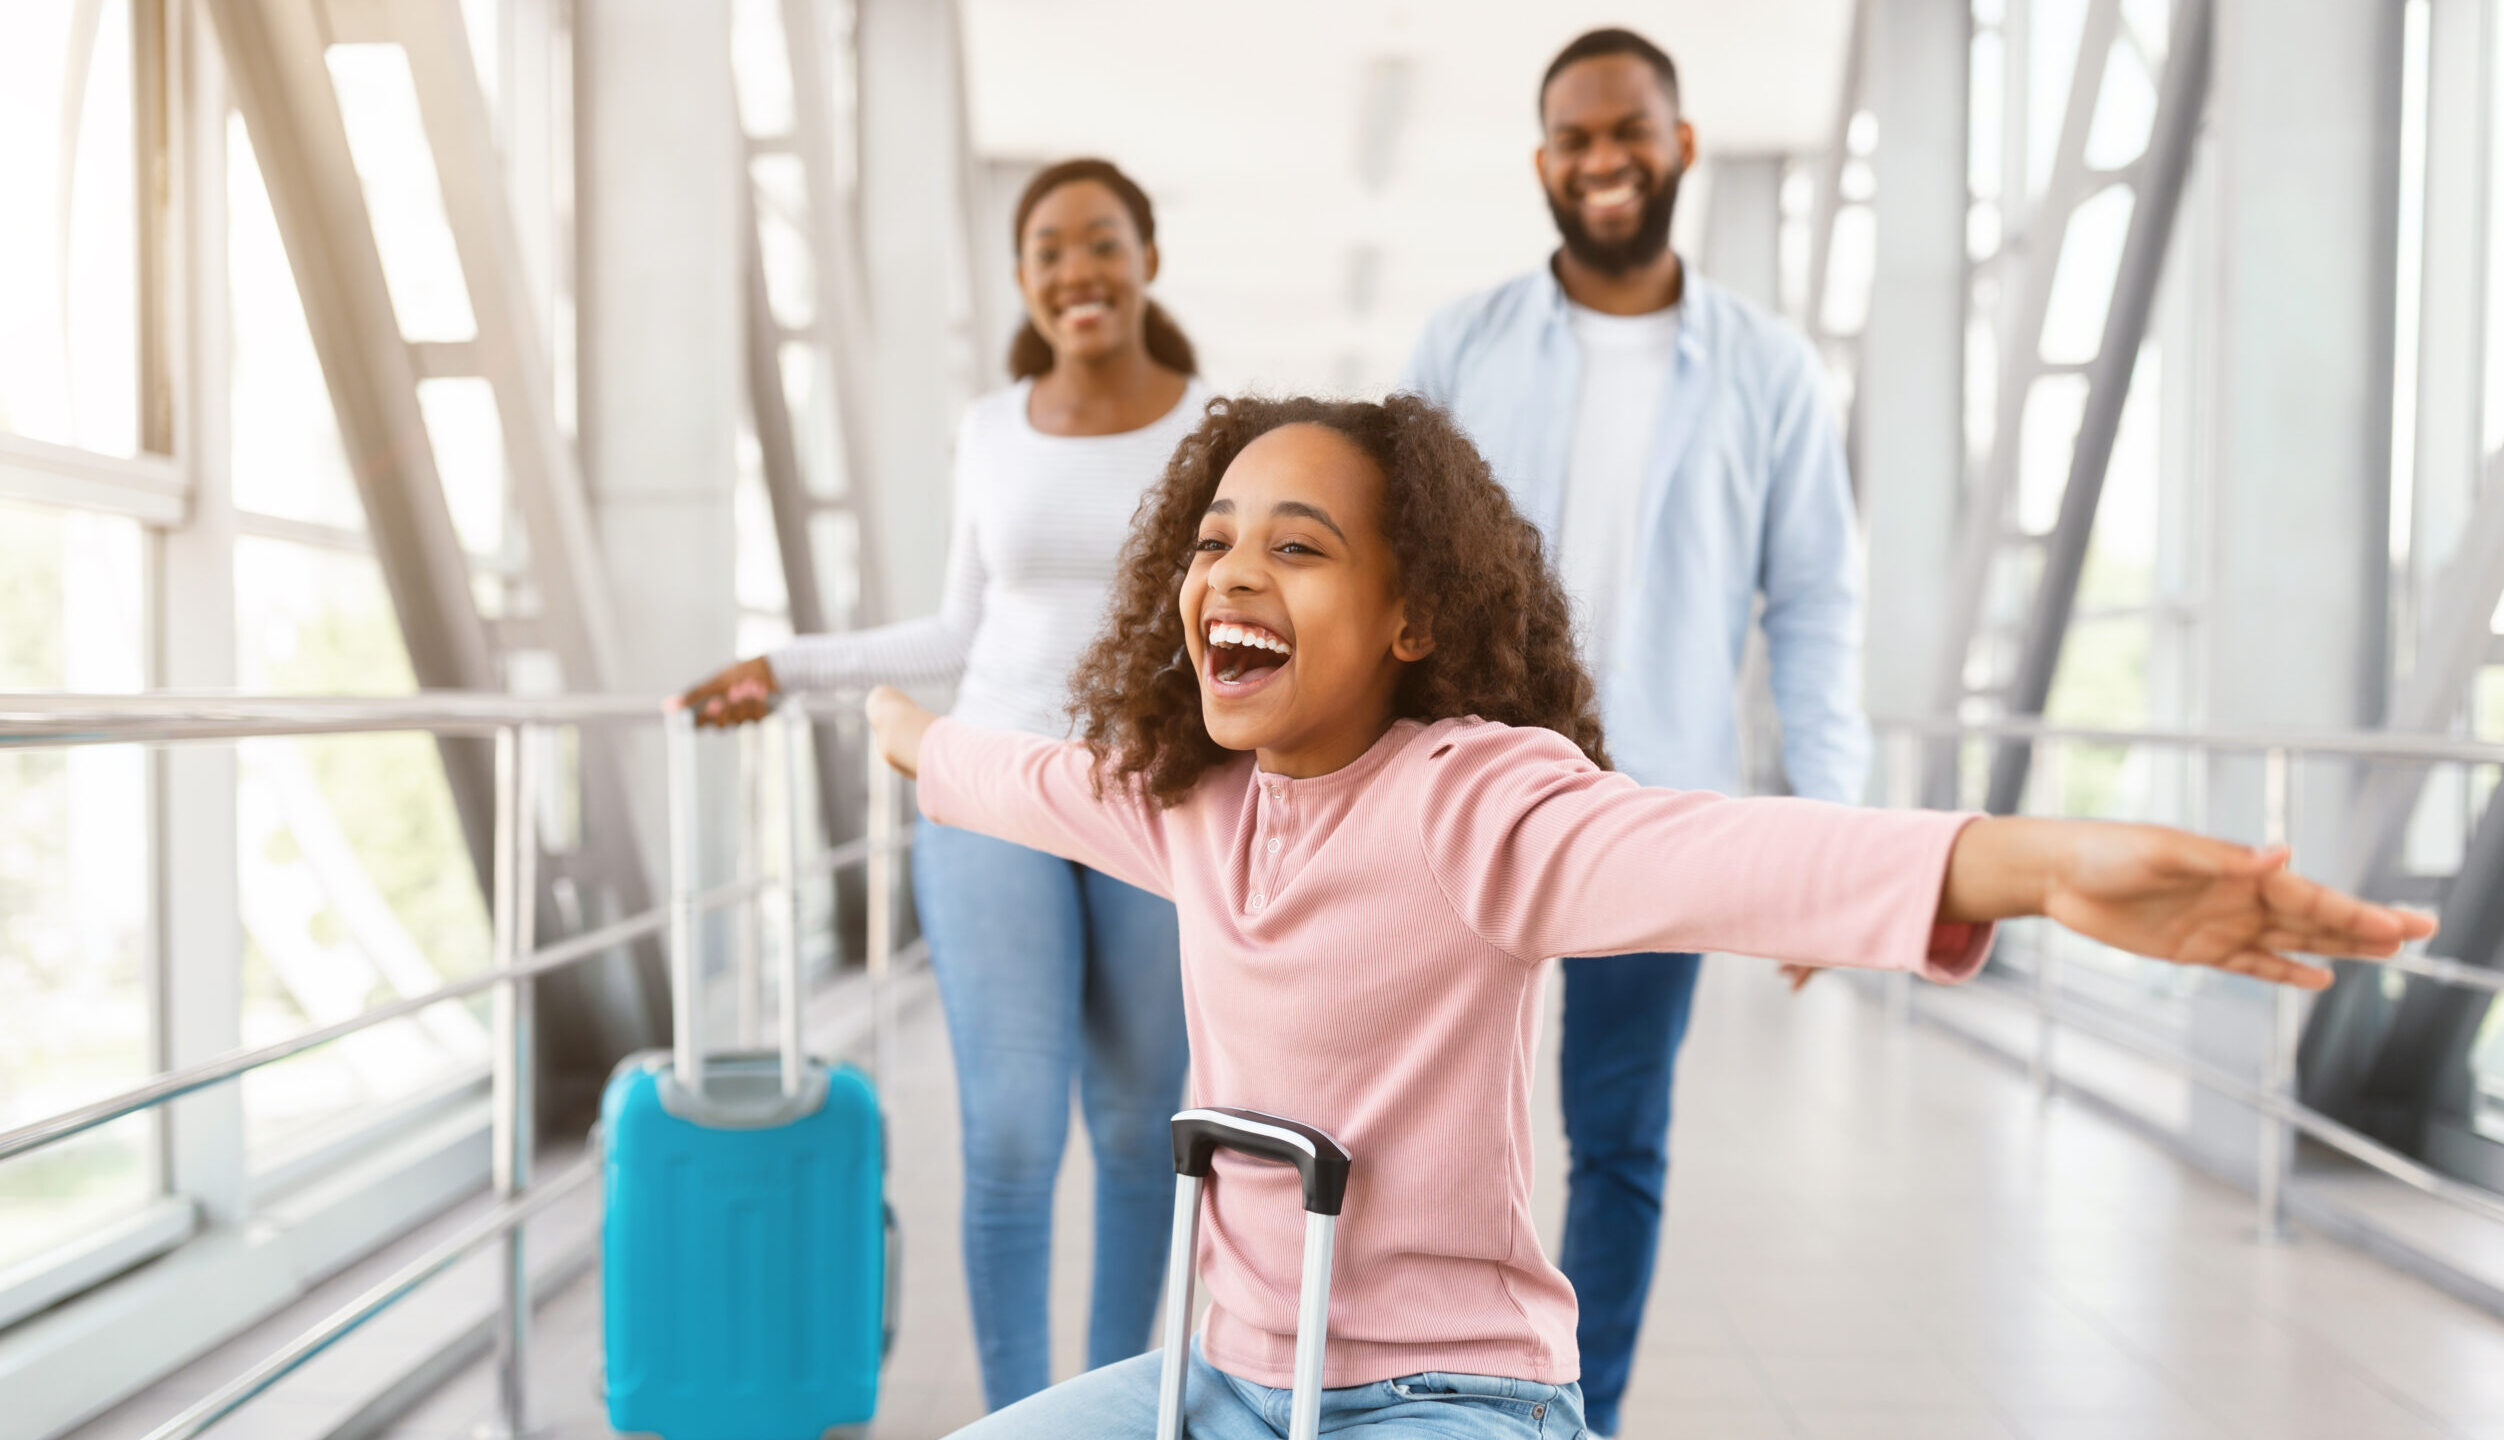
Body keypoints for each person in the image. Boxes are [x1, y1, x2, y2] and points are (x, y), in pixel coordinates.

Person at [860, 392, 2428, 1440]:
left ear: (1412, 620)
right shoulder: (1194, 802)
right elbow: (1020, 776)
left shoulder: (1473, 803)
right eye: (1211, 541)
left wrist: (2035, 866)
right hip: (1222, 1384)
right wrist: (903, 729)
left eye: (1297, 546)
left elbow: (1720, 852)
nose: (1231, 572)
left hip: (1441, 1398)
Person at [679, 158, 1211, 1410]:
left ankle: (1115, 1413)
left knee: (1140, 1136)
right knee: (1014, 1134)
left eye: (1101, 242)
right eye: (1049, 250)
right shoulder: (990, 427)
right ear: (1023, 278)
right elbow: (955, 633)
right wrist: (786, 666)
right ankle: (1024, 1422)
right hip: (990, 789)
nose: (1077, 269)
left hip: (1153, 803)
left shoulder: (1218, 429)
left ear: (1145, 259)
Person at [1399, 28, 1864, 1431]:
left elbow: (1818, 605)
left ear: (1681, 146)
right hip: (1458, 795)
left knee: (1617, 1143)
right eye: (1578, 140)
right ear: (1546, 163)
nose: (1606, 161)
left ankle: (1572, 1421)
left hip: (1652, 810)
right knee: (1420, 1134)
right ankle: (1411, 1399)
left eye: (1630, 133)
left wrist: (1831, 845)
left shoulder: (1769, 371)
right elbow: (1392, 573)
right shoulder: (1460, 343)